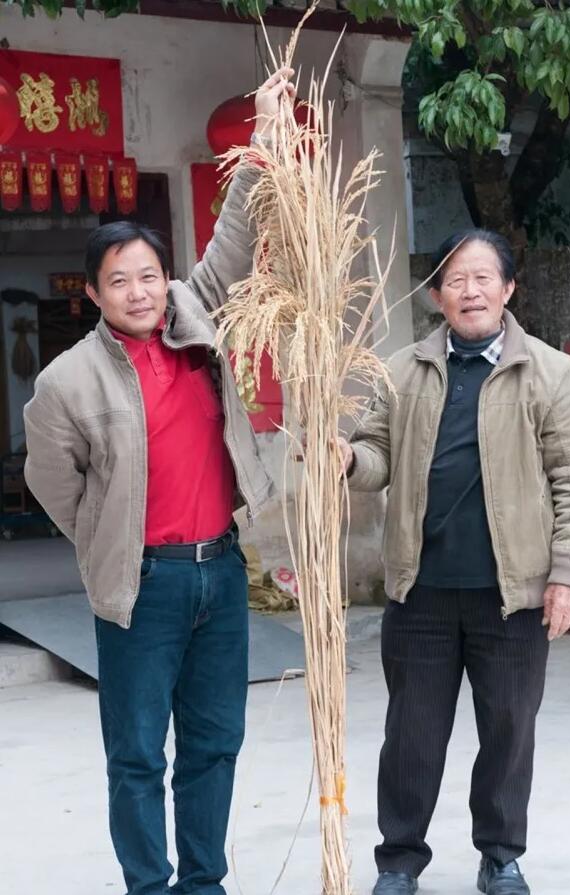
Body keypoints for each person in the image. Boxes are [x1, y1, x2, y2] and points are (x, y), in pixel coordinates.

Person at [23, 68, 295, 895]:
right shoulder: (66, 382)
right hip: (141, 585)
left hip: (221, 570)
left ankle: (203, 881)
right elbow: (53, 483)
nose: (138, 291)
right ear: (94, 294)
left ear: (164, 275)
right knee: (138, 752)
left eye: (148, 274)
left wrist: (264, 135)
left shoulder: (193, 314)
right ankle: (150, 885)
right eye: (119, 280)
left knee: (214, 742)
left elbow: (233, 241)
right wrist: (111, 537)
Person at [339, 230, 570, 895]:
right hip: (420, 591)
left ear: (508, 288)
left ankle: (500, 855)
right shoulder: (402, 370)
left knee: (508, 732)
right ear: (437, 296)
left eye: (483, 277)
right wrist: (346, 460)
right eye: (455, 280)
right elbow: (375, 456)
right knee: (411, 737)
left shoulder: (550, 373)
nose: (470, 291)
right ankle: (399, 860)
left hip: (511, 596)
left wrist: (566, 576)